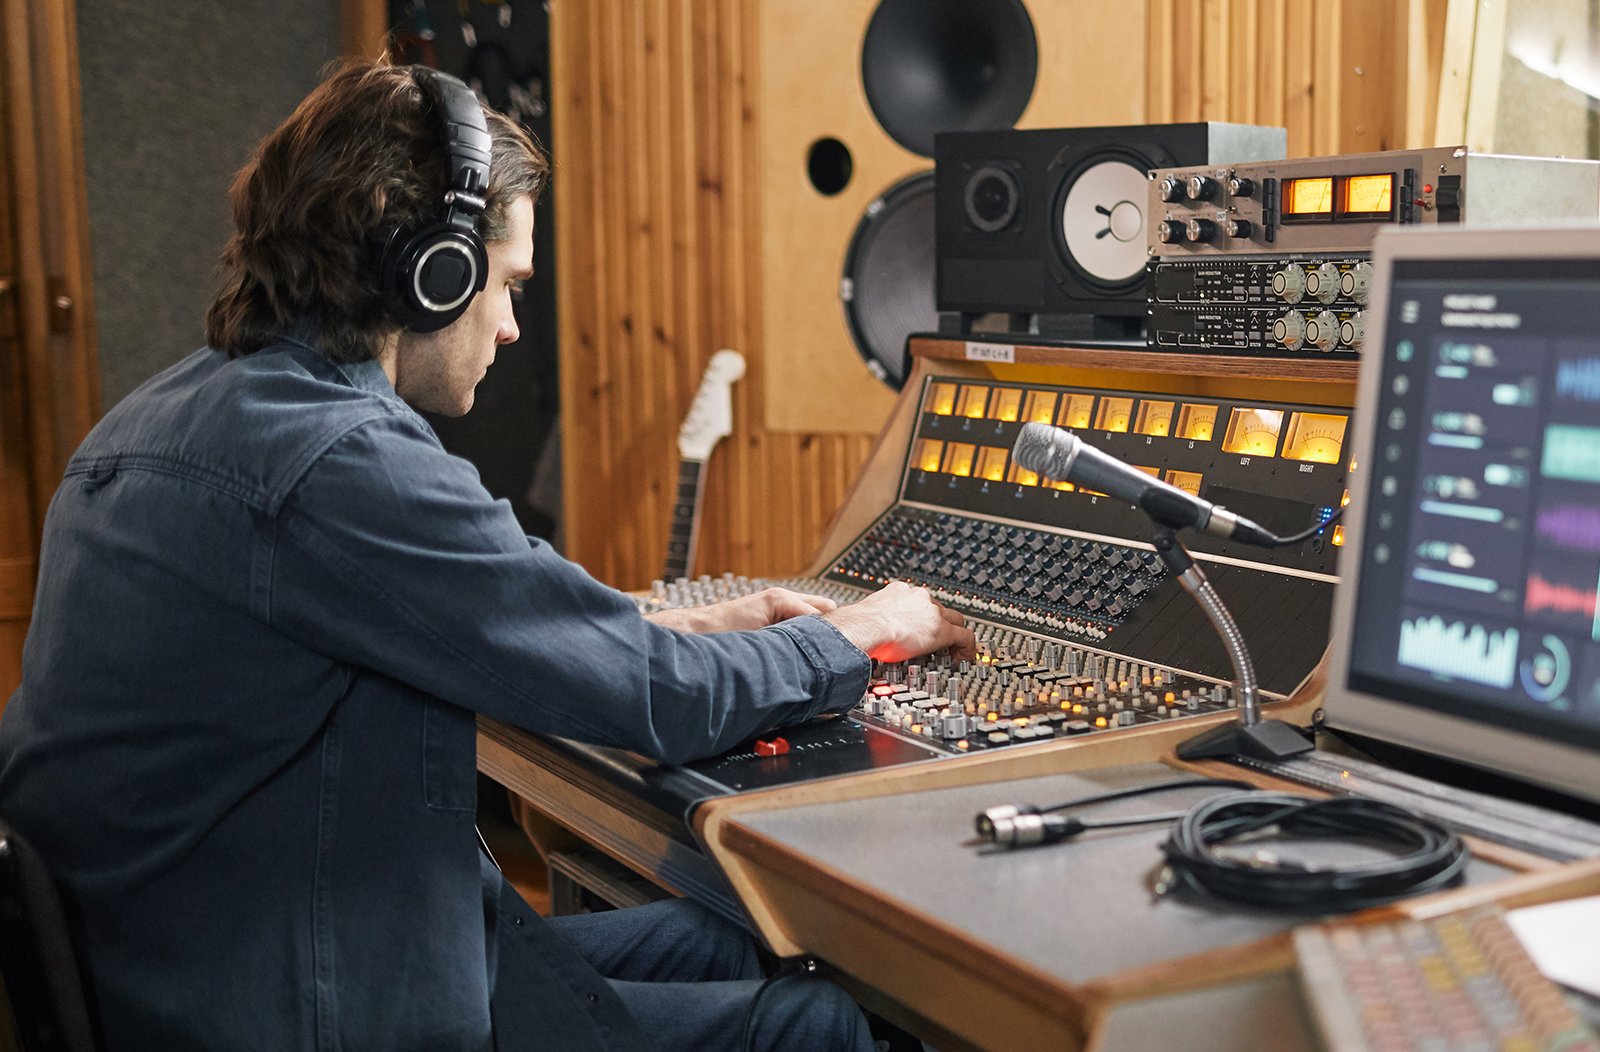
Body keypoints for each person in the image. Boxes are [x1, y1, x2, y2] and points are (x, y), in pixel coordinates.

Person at [0, 58, 973, 1051]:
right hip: (300, 1000)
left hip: (205, 960)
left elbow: (483, 626)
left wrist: (693, 623)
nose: (508, 325)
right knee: (812, 1023)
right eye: (506, 285)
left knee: (731, 937)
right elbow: (660, 701)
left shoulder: (149, 423)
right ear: (433, 271)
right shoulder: (337, 462)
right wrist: (861, 629)